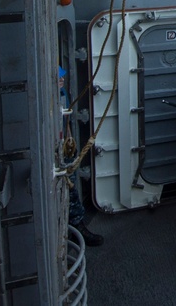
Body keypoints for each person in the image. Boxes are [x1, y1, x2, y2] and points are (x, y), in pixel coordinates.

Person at [59, 65, 104, 246]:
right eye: (58, 77)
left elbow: (66, 121)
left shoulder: (62, 94)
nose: (61, 80)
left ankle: (75, 226)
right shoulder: (47, 98)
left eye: (62, 76)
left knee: (70, 190)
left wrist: (69, 139)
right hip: (53, 152)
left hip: (63, 148)